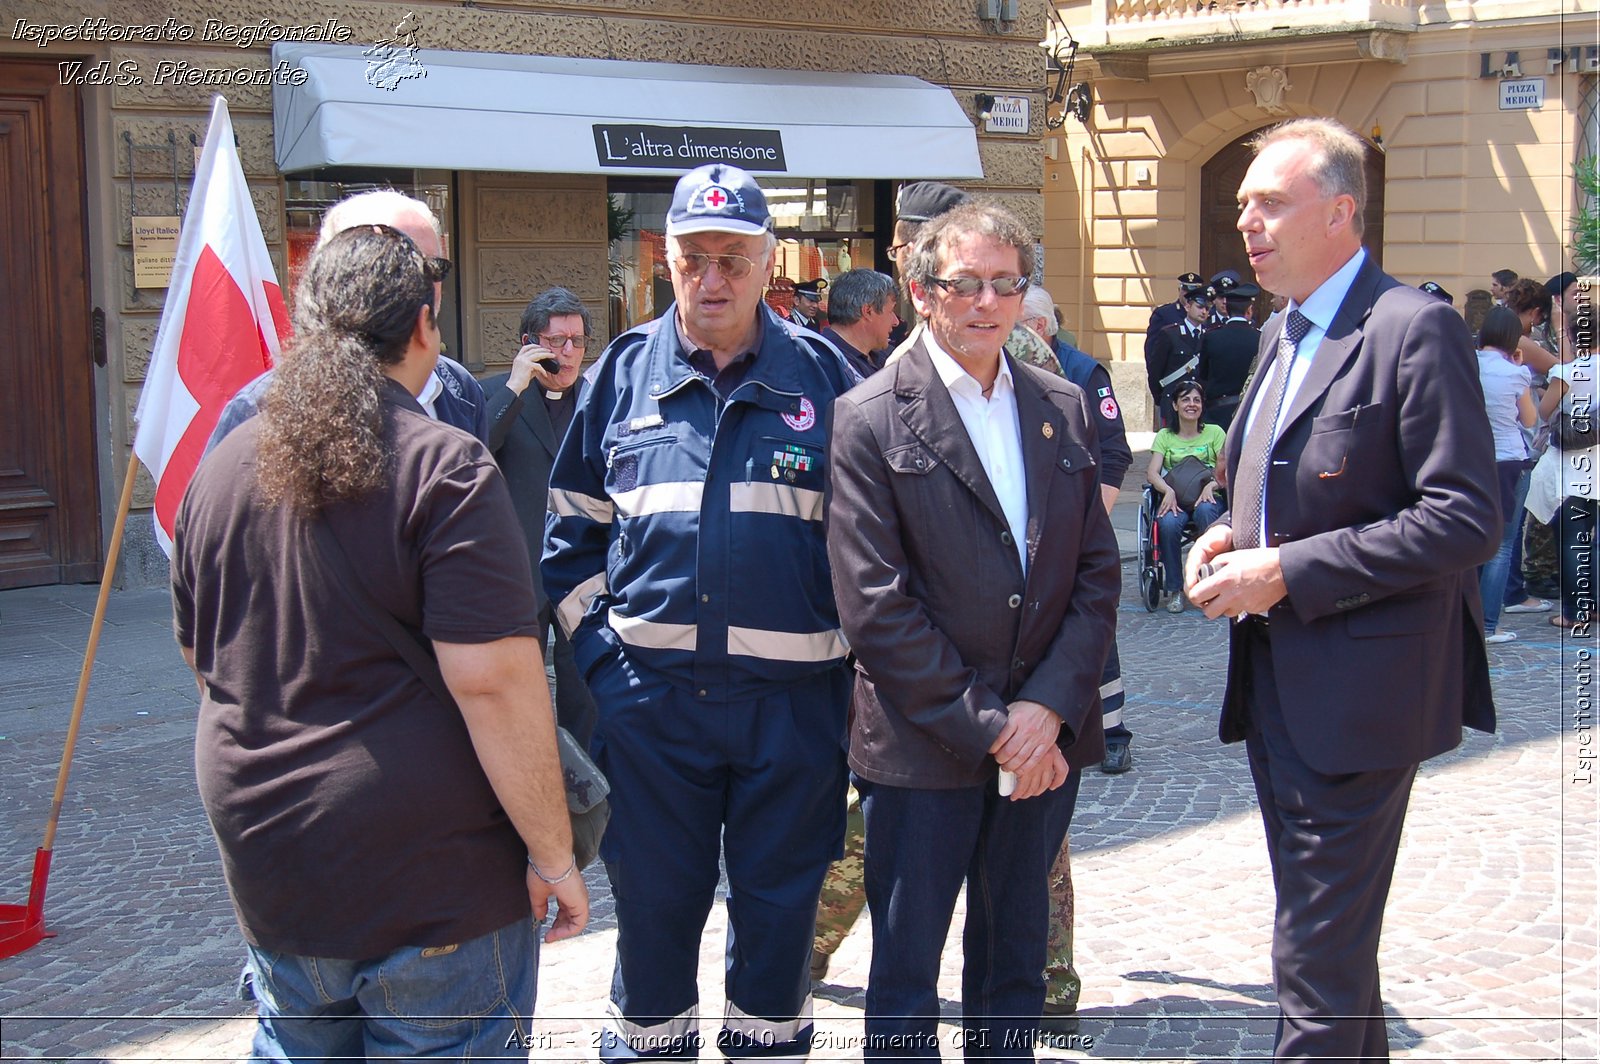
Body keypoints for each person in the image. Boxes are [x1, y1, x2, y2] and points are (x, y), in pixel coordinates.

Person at [171, 224, 587, 1059]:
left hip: (271, 857)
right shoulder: (445, 468)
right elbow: (498, 687)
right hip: (429, 878)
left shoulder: (220, 469)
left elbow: (204, 659)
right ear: (425, 326)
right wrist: (555, 854)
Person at [1186, 116, 1499, 1063]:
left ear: (1341, 210)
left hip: (1362, 694)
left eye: (1272, 203)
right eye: (1244, 205)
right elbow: (1283, 476)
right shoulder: (1282, 330)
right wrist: (1233, 529)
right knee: (1332, 949)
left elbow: (1463, 518)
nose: (1249, 222)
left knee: (1313, 956)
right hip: (1279, 684)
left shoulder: (1413, 327)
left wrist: (1284, 569)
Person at [542, 163, 857, 1061]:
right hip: (652, 714)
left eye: (732, 258)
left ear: (768, 263)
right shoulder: (621, 376)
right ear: (667, 260)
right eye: (692, 258)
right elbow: (570, 540)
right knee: (652, 925)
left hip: (792, 714)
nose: (711, 279)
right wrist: (610, 670)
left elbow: (875, 553)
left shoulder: (829, 378)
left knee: (778, 928)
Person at [826, 200, 1120, 1061]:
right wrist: (997, 730)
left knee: (1014, 968)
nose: (987, 303)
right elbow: (875, 606)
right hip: (925, 747)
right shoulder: (870, 415)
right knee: (907, 974)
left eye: (1006, 284)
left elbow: (1096, 573)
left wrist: (1049, 710)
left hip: (1042, 740)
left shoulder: (1060, 404)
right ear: (924, 291)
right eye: (967, 285)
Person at [1020, 284, 1133, 1032]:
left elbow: (1097, 582)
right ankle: (1052, 982)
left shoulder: (1070, 381)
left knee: (1037, 836)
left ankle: (1053, 983)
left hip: (1038, 661)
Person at [206, 189, 489, 451]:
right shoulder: (262, 408)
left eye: (431, 267)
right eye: (391, 264)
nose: (418, 283)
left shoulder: (458, 389)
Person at [483, 287, 600, 748]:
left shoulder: (600, 397)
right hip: (518, 575)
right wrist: (515, 387)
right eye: (555, 341)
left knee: (586, 701)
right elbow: (471, 454)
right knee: (518, 702)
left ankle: (588, 802)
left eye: (577, 340)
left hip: (584, 575)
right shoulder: (495, 394)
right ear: (531, 343)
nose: (568, 352)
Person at [1528, 281, 1597, 632]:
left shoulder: (1567, 373)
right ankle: (1594, 604)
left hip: (1570, 465)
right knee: (1593, 541)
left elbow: (1543, 411)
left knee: (1572, 540)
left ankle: (1573, 611)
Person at [1474, 306, 1539, 645]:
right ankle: (1488, 624)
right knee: (1502, 545)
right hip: (1509, 460)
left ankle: (1466, 620)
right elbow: (1529, 420)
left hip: (1471, 459)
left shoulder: (1467, 363)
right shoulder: (1516, 373)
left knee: (1470, 539)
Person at [1147, 379, 1227, 613]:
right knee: (1168, 523)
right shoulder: (1165, 436)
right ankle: (1175, 589)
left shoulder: (1215, 433)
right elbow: (1152, 472)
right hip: (1176, 499)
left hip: (1208, 496)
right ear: (1175, 405)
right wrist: (1167, 490)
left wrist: (1212, 485)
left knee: (1206, 512)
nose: (1191, 404)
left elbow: (1226, 469)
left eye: (1196, 400)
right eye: (1185, 400)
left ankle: (1209, 582)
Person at [1196, 279, 1264, 430]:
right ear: (1249, 311)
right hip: (1249, 413)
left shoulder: (1211, 337)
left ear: (1227, 310)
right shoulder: (1260, 338)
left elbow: (1203, 374)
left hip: (1216, 414)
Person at [1147, 286, 1209, 427]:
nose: (1204, 312)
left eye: (1207, 308)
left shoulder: (1209, 336)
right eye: (1199, 307)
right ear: (1187, 306)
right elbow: (1155, 370)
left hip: (1199, 406)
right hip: (1172, 404)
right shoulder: (1170, 334)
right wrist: (1161, 398)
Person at [821, 269, 900, 379]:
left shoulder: (886, 355)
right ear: (867, 311)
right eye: (891, 311)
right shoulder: (824, 363)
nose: (896, 322)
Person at [1145, 271, 1206, 368]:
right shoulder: (1164, 314)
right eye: (1186, 291)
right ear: (1179, 290)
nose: (1189, 296)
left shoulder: (1205, 315)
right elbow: (1152, 351)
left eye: (1194, 293)